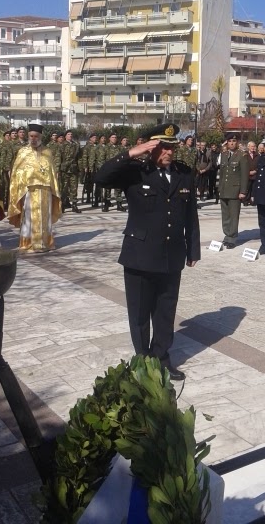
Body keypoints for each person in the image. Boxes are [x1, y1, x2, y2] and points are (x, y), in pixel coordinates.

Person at [95, 123, 200, 381]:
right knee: (140, 314)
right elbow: (101, 177)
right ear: (150, 148)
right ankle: (143, 362)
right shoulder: (135, 173)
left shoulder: (183, 174)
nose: (169, 152)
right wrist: (131, 153)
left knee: (165, 312)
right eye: (163, 147)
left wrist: (193, 249)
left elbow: (190, 214)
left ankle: (162, 359)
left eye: (172, 147)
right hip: (140, 255)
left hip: (171, 255)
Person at [8, 123, 61, 254]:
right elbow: (16, 172)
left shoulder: (48, 152)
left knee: (45, 216)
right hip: (29, 190)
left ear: (40, 137)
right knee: (28, 217)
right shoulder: (22, 152)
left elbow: (52, 172)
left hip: (45, 190)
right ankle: (27, 243)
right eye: (31, 136)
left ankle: (45, 243)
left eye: (36, 136)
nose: (33, 138)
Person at [218, 133, 249, 248]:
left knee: (233, 215)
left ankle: (232, 238)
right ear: (227, 142)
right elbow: (221, 174)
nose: (232, 143)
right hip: (224, 189)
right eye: (230, 141)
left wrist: (243, 191)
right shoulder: (224, 154)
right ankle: (227, 235)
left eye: (234, 141)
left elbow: (244, 175)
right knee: (225, 215)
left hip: (235, 190)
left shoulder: (242, 155)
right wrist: (220, 188)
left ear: (237, 143)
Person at [60, 130, 82, 213]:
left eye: (71, 134)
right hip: (64, 170)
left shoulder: (76, 145)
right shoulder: (62, 145)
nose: (70, 136)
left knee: (74, 188)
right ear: (65, 136)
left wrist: (80, 168)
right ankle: (62, 205)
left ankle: (74, 205)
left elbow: (79, 158)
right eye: (68, 134)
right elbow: (59, 157)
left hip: (73, 169)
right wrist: (58, 169)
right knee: (64, 188)